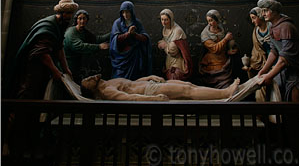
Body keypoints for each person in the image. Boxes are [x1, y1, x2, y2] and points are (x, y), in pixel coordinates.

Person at [12, 0, 78, 99]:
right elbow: (42, 53)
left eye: (71, 14)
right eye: (67, 14)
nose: (69, 17)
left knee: (41, 93)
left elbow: (59, 48)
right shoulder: (48, 27)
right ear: (60, 13)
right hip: (34, 66)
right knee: (29, 92)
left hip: (45, 68)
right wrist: (55, 71)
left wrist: (66, 69)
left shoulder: (60, 26)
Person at [258, 0, 299, 101]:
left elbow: (285, 58)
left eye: (265, 10)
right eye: (262, 11)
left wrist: (269, 75)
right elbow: (274, 51)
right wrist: (264, 70)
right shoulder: (272, 27)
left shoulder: (286, 27)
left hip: (297, 73)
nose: (263, 14)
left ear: (274, 11)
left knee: (296, 105)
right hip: (285, 72)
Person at [81, 73, 240, 101]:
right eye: (87, 81)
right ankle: (225, 93)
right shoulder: (107, 91)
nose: (89, 77)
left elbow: (131, 83)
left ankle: (221, 92)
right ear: (91, 89)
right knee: (187, 91)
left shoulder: (108, 82)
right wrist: (153, 99)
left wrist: (148, 77)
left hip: (150, 84)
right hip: (150, 91)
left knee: (188, 84)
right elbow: (131, 98)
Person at [243, 6, 281, 102]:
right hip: (264, 63)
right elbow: (256, 51)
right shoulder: (256, 32)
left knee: (278, 90)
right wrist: (251, 66)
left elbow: (279, 48)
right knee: (260, 93)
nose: (252, 21)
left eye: (253, 18)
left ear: (260, 16)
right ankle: (263, 115)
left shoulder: (272, 27)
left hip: (278, 63)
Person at [199, 9, 243, 89]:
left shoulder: (222, 30)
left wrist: (230, 49)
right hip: (212, 63)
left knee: (228, 84)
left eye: (211, 20)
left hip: (224, 62)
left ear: (217, 20)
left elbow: (226, 46)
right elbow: (215, 49)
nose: (210, 23)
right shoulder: (205, 34)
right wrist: (225, 39)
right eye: (208, 21)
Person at [64, 9, 110, 84]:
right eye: (80, 18)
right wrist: (99, 47)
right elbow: (80, 46)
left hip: (78, 66)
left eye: (84, 18)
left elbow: (96, 39)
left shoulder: (84, 32)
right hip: (68, 65)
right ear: (76, 20)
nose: (82, 21)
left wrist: (113, 32)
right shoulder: (71, 32)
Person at [109, 1, 152, 80]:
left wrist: (135, 35)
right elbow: (115, 40)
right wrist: (128, 34)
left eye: (128, 12)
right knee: (119, 78)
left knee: (135, 79)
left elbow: (145, 38)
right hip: (121, 57)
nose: (125, 15)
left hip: (134, 57)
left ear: (132, 12)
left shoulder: (137, 23)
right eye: (123, 12)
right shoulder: (117, 23)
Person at [157, 9, 193, 81]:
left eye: (166, 20)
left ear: (171, 19)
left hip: (177, 60)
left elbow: (173, 50)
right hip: (169, 59)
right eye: (162, 19)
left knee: (175, 77)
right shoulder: (165, 29)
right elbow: (165, 41)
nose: (163, 22)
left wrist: (164, 45)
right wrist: (163, 43)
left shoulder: (177, 31)